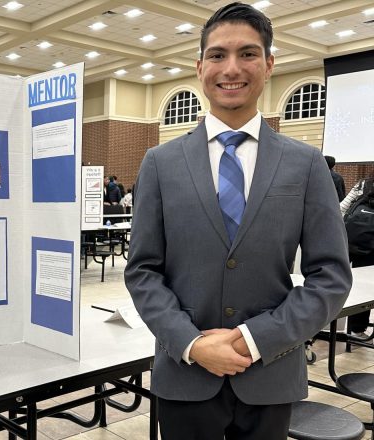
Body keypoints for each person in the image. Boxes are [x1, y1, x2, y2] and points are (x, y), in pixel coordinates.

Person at [124, 3, 352, 439]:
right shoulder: (160, 162)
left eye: (247, 54)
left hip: (269, 374)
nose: (232, 68)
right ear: (200, 66)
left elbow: (330, 276)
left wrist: (254, 339)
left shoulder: (304, 164)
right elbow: (143, 271)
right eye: (217, 55)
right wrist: (192, 343)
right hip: (185, 376)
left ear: (268, 65)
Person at [341, 174, 374, 337]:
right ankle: (358, 329)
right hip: (371, 246)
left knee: (349, 282)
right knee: (368, 287)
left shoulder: (363, 184)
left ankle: (352, 328)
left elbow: (342, 206)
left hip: (351, 239)